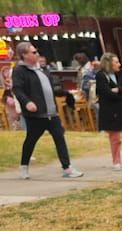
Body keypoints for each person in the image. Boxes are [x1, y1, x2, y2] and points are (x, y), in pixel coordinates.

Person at [11, 42, 84, 179]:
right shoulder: (19, 70)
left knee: (59, 137)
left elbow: (51, 87)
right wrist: (27, 102)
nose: (37, 54)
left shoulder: (42, 70)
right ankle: (24, 166)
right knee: (31, 139)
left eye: (36, 51)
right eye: (33, 52)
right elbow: (18, 89)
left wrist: (65, 93)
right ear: (24, 55)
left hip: (51, 112)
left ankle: (67, 168)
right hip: (36, 114)